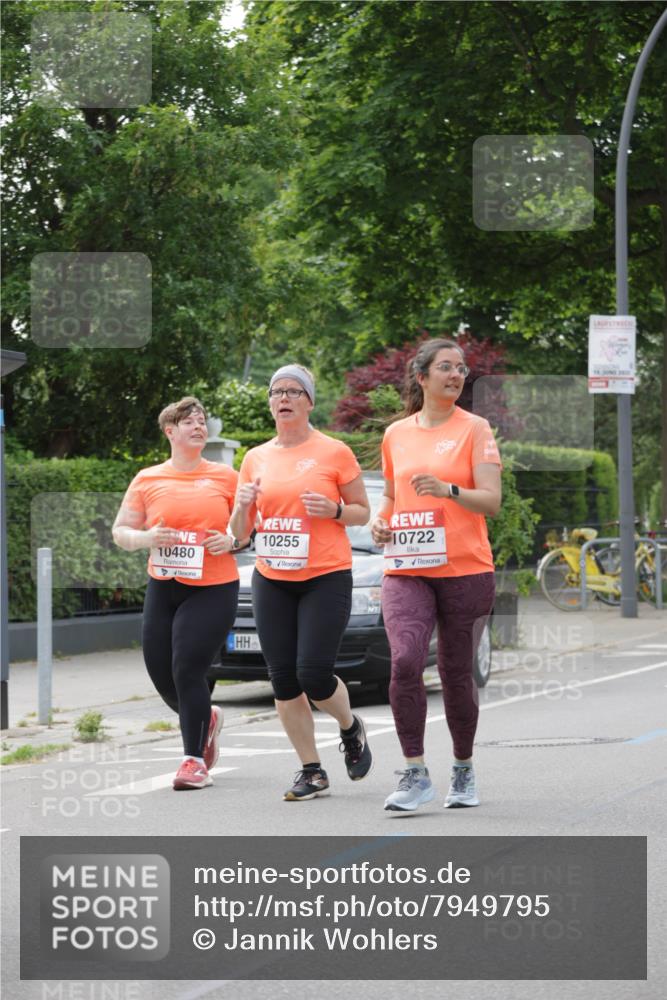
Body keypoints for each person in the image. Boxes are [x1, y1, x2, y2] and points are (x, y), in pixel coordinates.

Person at [229, 364, 372, 801]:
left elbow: (362, 512)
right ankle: (311, 770)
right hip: (272, 576)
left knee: (313, 672)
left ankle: (350, 727)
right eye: (277, 391)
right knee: (283, 679)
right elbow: (238, 533)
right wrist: (241, 505)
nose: (284, 397)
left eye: (294, 391)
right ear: (270, 402)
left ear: (309, 401)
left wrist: (332, 511)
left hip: (325, 576)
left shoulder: (334, 452)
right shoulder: (255, 457)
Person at [370, 339, 501, 812]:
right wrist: (379, 521)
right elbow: (389, 496)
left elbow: (491, 500)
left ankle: (463, 769)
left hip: (466, 569)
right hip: (407, 568)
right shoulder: (396, 434)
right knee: (405, 660)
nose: (456, 374)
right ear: (421, 377)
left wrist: (449, 490)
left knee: (454, 673)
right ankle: (415, 773)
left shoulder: (476, 428)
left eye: (462, 368)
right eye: (445, 367)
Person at [112, 397, 246, 791]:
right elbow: (121, 531)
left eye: (202, 420)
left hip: (213, 588)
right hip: (164, 584)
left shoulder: (225, 477)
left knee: (187, 666)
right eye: (189, 421)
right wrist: (147, 538)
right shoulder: (148, 478)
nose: (198, 426)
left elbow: (248, 528)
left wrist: (233, 541)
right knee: (160, 669)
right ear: (170, 431)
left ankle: (193, 761)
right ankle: (207, 718)